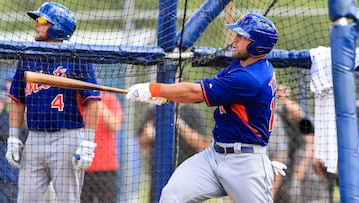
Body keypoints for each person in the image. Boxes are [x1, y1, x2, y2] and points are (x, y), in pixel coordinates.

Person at [126, 13, 284, 202]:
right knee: (172, 195)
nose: (235, 39)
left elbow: (196, 93)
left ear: (258, 45)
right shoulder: (241, 65)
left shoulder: (250, 78)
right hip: (214, 155)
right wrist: (167, 96)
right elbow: (204, 91)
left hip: (245, 163)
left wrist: (154, 89)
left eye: (242, 37)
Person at [6, 2, 100, 203]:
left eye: (41, 21)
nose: (36, 25)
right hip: (35, 138)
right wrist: (13, 137)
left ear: (57, 27)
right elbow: (16, 99)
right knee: (26, 199)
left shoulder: (77, 57)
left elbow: (92, 101)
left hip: (67, 137)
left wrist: (88, 143)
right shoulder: (28, 56)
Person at [137, 103, 211, 202]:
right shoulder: (155, 110)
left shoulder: (191, 111)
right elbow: (141, 146)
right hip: (158, 174)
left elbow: (202, 144)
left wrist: (180, 124)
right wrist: (147, 136)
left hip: (186, 175)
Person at [81, 89, 125, 202]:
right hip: (83, 166)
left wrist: (96, 103)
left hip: (107, 166)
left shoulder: (110, 99)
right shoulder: (78, 99)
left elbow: (116, 126)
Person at [268, 84, 305, 202]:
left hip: (281, 153)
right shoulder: (265, 102)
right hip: (261, 148)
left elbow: (299, 114)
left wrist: (283, 98)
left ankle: (270, 197)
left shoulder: (284, 107)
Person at [0, 90, 27, 203]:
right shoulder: (3, 118)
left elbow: (26, 124)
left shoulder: (14, 120)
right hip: (1, 176)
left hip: (15, 176)